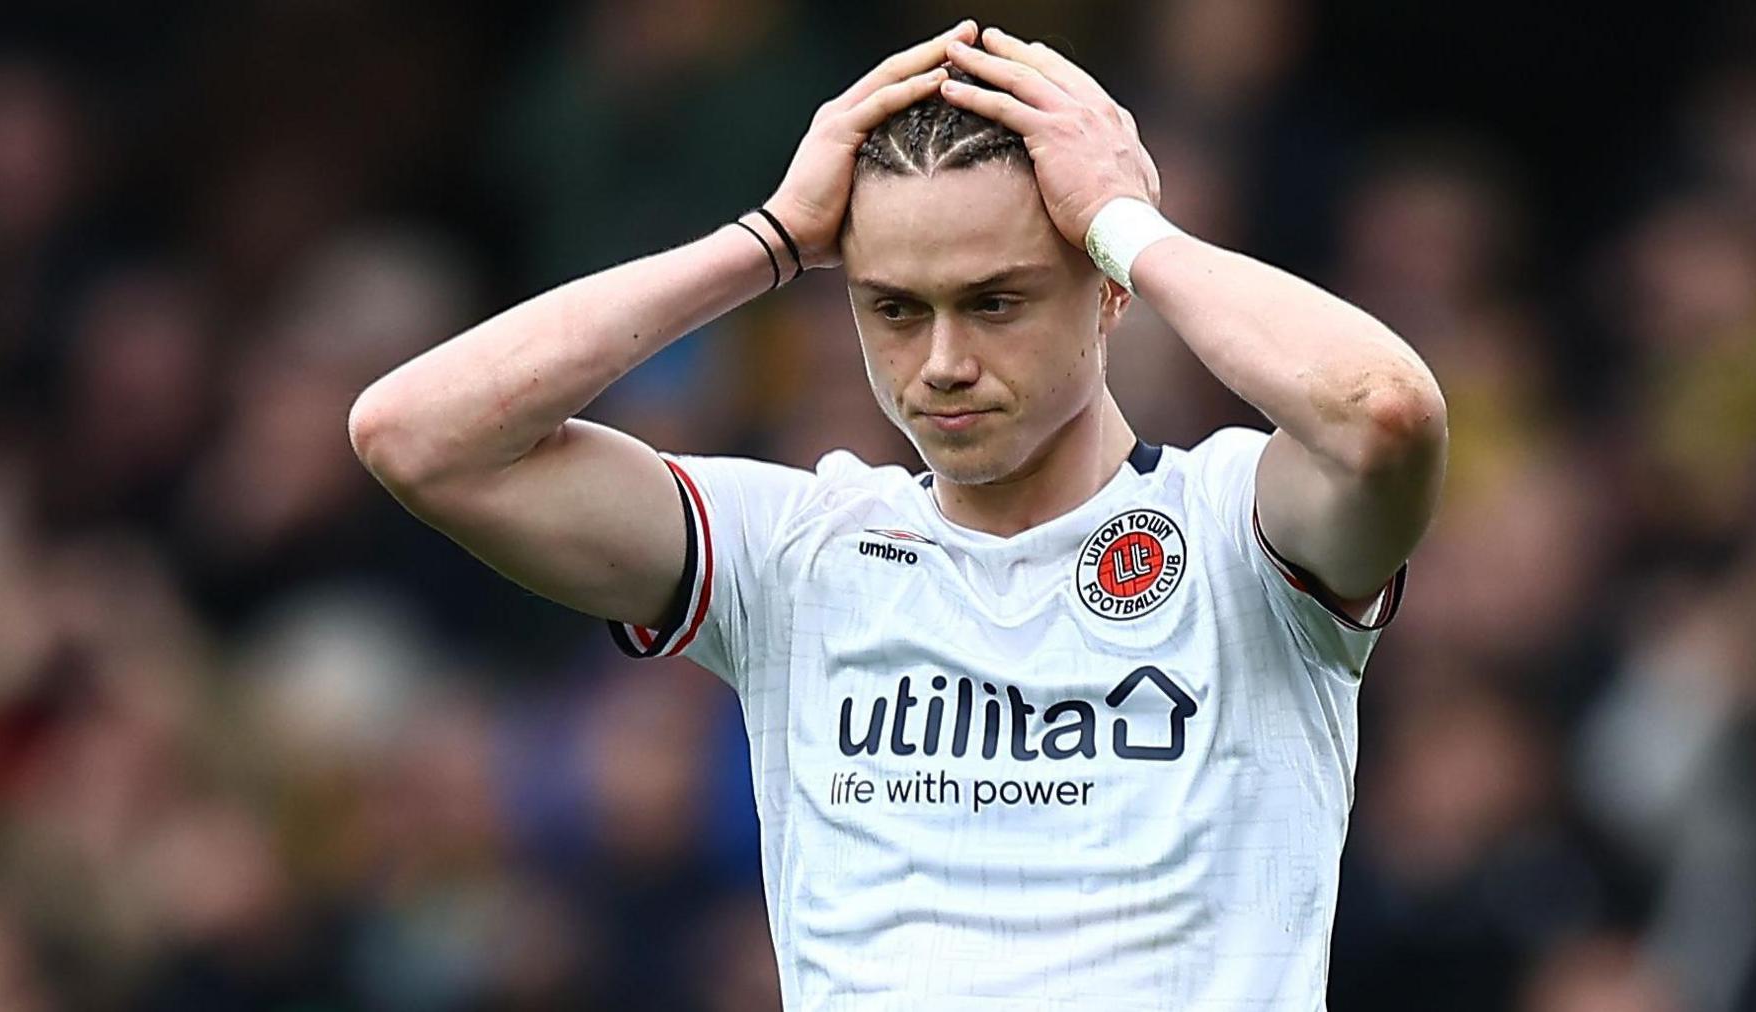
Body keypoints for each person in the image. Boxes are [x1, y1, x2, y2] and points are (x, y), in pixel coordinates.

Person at [348, 19, 1447, 1010]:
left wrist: (1126, 221)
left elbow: (1380, 413)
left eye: (995, 300)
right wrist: (772, 236)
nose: (943, 363)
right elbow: (418, 436)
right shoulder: (795, 552)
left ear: (1106, 291)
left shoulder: (1234, 531)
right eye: (894, 309)